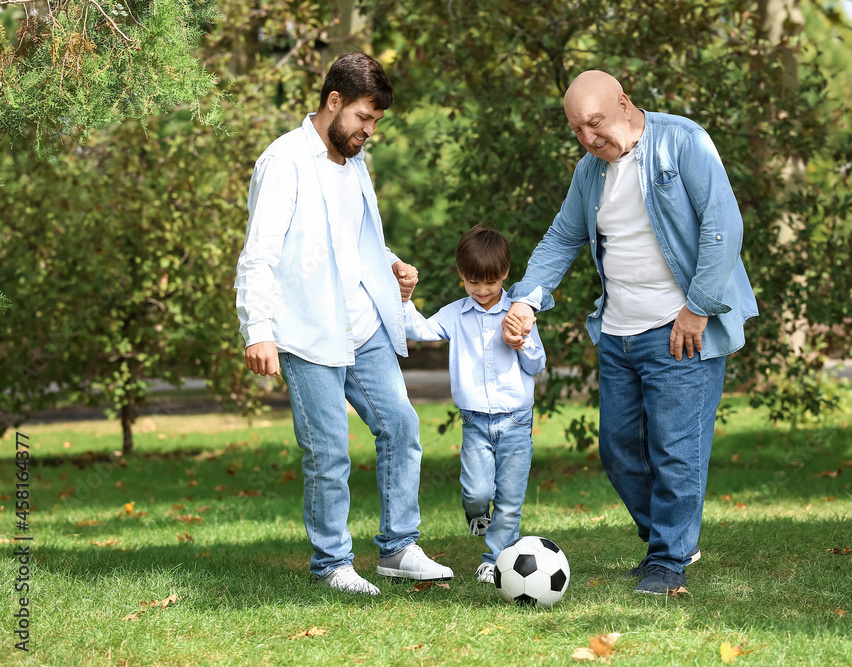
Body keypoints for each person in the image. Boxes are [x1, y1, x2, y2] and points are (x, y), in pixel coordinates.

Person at [502, 70, 757, 596]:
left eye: (595, 124)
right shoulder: (589, 172)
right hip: (618, 332)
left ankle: (669, 558)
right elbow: (561, 237)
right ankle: (671, 538)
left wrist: (698, 307)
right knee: (619, 450)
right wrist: (527, 298)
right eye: (576, 130)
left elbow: (722, 226)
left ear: (624, 103)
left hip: (680, 329)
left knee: (675, 451)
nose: (588, 139)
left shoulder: (682, 141)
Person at [234, 52, 453, 596]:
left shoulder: (354, 163)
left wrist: (392, 265)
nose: (368, 131)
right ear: (334, 101)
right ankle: (332, 563)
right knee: (328, 450)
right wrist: (257, 329)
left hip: (365, 326)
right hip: (308, 333)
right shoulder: (284, 161)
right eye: (363, 117)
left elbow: (351, 241)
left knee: (400, 427)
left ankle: (399, 548)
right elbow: (258, 255)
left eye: (376, 121)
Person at [402, 226, 546, 584]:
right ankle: (477, 515)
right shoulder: (455, 314)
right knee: (477, 491)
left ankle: (494, 558)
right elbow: (420, 330)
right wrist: (404, 300)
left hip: (516, 421)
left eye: (490, 284)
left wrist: (522, 343)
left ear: (505, 275)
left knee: (510, 499)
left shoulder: (519, 312)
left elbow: (537, 364)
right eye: (472, 283)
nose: (481, 291)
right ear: (461, 276)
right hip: (476, 422)